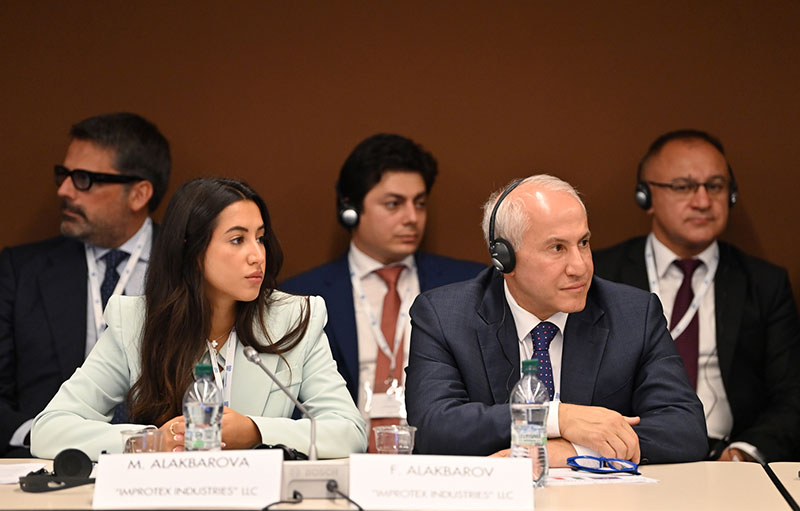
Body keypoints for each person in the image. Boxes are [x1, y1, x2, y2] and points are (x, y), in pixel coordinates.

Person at [31, 177, 366, 461]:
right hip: (164, 510)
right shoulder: (136, 323)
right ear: (190, 251)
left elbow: (349, 431)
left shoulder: (293, 319)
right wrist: (152, 441)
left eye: (260, 238)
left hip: (260, 510)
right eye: (238, 240)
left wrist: (255, 430)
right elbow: (49, 431)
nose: (257, 255)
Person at [405, 174, 708, 465]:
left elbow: (685, 428)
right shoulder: (445, 316)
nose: (580, 267)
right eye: (557, 248)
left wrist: (569, 450)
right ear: (504, 259)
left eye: (584, 243)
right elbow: (432, 426)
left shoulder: (633, 315)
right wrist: (556, 418)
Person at [594, 129, 800, 463]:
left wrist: (744, 453)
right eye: (683, 187)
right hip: (624, 455)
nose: (703, 201)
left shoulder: (764, 283)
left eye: (715, 186)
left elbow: (791, 395)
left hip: (728, 460)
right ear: (646, 196)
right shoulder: (600, 275)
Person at [281, 133, 484, 449]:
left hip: (437, 460)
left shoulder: (469, 285)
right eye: (394, 204)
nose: (412, 218)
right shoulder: (298, 298)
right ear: (349, 209)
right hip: (341, 459)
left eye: (420, 203)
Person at [0, 112, 170, 457]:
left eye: (84, 179)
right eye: (63, 175)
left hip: (162, 462)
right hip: (48, 464)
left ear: (139, 194)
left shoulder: (193, 265)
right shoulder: (21, 271)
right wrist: (39, 436)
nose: (63, 190)